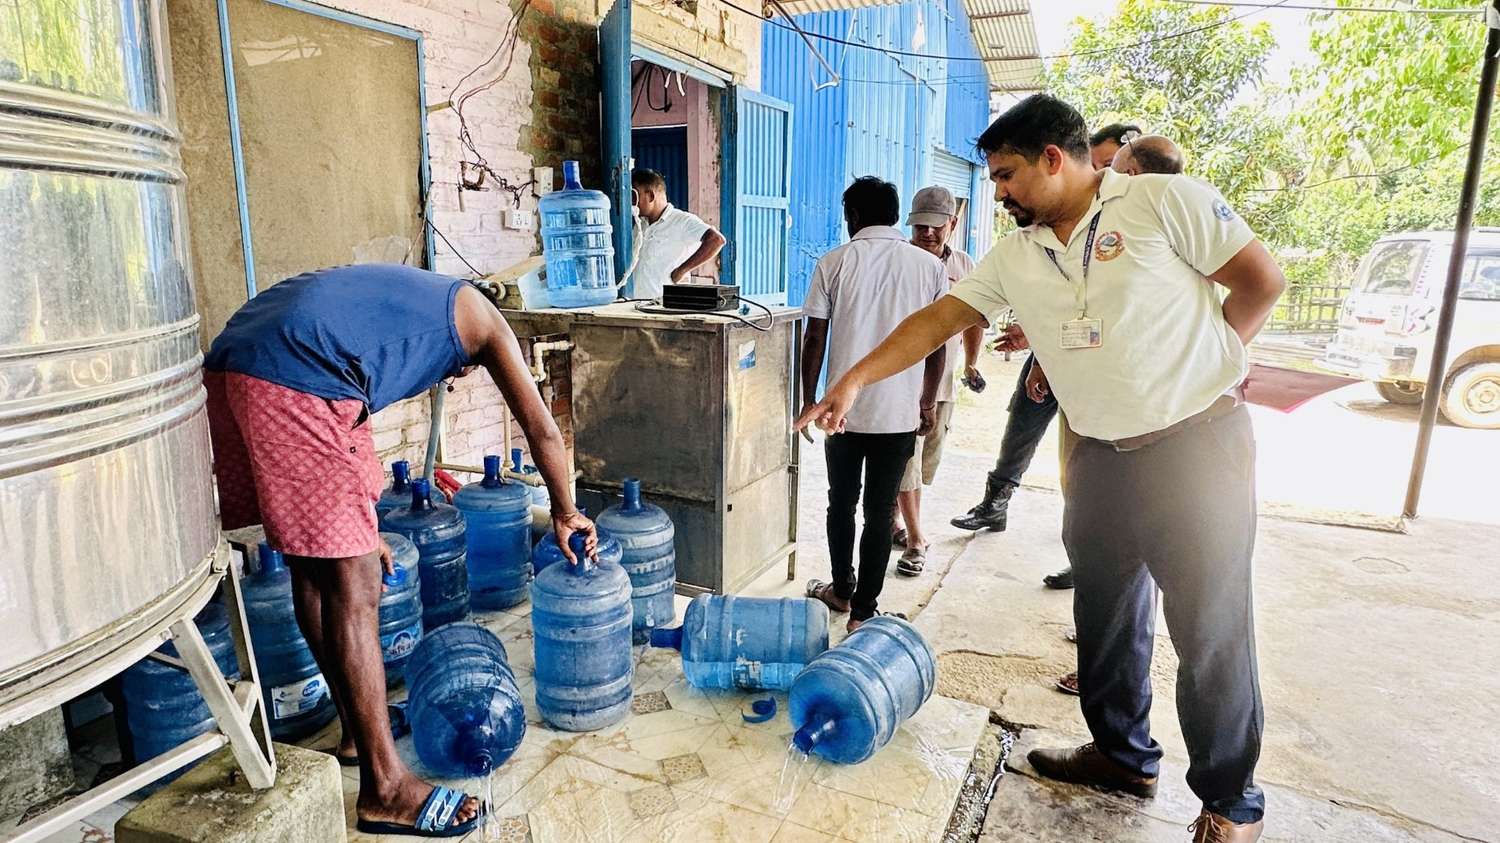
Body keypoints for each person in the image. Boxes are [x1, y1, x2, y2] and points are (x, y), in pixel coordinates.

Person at [796, 94, 1284, 842]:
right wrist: (853, 380)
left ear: (1054, 159)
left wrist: (1207, 367)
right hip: (1099, 455)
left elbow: (1261, 282)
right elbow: (937, 321)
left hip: (1198, 446)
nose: (997, 192)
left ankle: (1231, 802)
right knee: (1107, 614)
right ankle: (1123, 754)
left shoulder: (1162, 201)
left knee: (1210, 624)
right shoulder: (1018, 253)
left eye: (1006, 175)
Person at [203, 264, 599, 838]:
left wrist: (360, 533)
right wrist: (566, 510)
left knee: (318, 569)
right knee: (352, 583)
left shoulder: (407, 306)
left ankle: (352, 732)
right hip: (296, 373)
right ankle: (385, 789)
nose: (457, 378)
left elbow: (350, 423)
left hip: (241, 361)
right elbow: (542, 429)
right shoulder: (484, 325)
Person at [949, 125, 1146, 592]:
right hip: (1057, 357)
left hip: (1124, 395)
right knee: (1035, 434)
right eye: (1096, 164)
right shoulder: (1049, 233)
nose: (1101, 175)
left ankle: (1095, 557)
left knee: (1106, 488)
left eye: (1110, 167)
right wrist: (1039, 351)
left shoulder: (1142, 220)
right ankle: (1007, 508)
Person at [1052, 132, 1185, 698]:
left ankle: (1226, 785)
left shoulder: (1167, 224)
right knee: (1102, 561)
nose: (1102, 183)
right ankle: (1113, 713)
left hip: (1163, 432)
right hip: (1095, 418)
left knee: (1170, 590)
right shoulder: (1090, 234)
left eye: (1111, 169)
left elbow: (1255, 286)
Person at [799, 176, 947, 633]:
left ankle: (841, 590)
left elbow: (816, 336)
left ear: (854, 216)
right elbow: (938, 341)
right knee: (880, 511)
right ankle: (864, 610)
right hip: (900, 412)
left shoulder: (835, 262)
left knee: (840, 503)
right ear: (896, 215)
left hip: (842, 413)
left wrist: (812, 399)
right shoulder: (928, 267)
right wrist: (927, 402)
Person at [890, 186, 978, 576]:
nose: (926, 233)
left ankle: (894, 520)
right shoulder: (900, 261)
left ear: (952, 225)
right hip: (901, 383)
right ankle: (915, 539)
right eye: (920, 225)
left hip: (943, 384)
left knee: (925, 464)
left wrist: (973, 364)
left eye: (935, 226)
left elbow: (975, 318)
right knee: (905, 460)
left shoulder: (964, 266)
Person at [628, 168, 727, 300]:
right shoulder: (640, 224)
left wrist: (682, 270)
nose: (632, 202)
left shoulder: (682, 221)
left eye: (635, 196)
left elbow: (716, 240)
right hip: (636, 305)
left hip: (666, 306)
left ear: (651, 196)